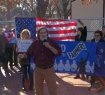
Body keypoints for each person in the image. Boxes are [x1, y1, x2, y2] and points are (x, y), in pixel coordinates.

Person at [18, 26, 62, 95]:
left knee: (52, 91)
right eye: (41, 33)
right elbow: (29, 53)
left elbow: (58, 53)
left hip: (49, 70)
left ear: (47, 33)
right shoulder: (35, 43)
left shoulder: (52, 42)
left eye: (44, 33)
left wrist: (49, 47)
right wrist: (23, 55)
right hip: (38, 70)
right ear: (38, 34)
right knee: (38, 91)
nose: (43, 34)